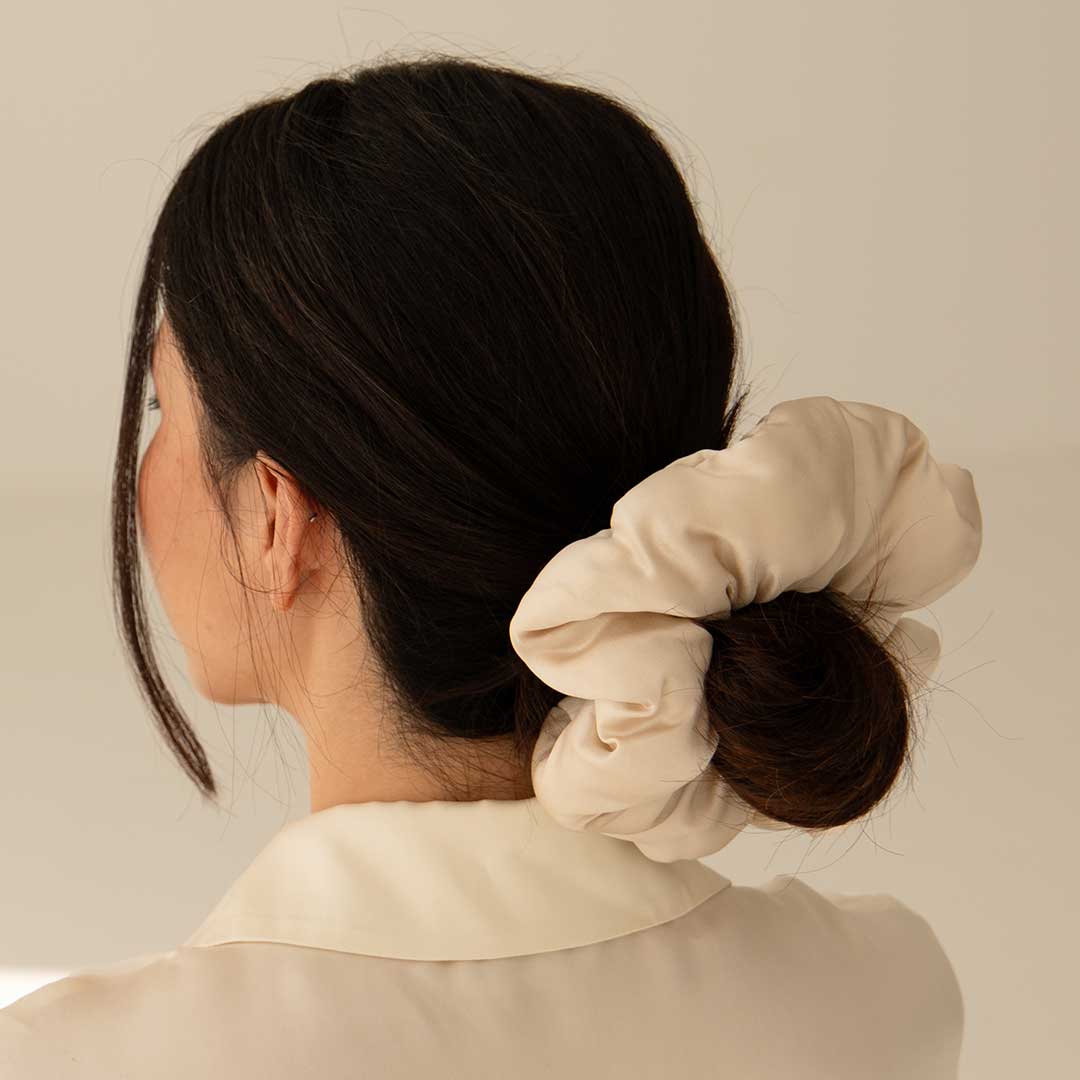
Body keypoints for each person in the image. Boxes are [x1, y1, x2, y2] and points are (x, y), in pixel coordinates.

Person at [0, 53, 979, 1078]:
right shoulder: (880, 993)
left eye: (166, 407)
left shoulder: (80, 1059)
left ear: (275, 516)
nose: (142, 469)